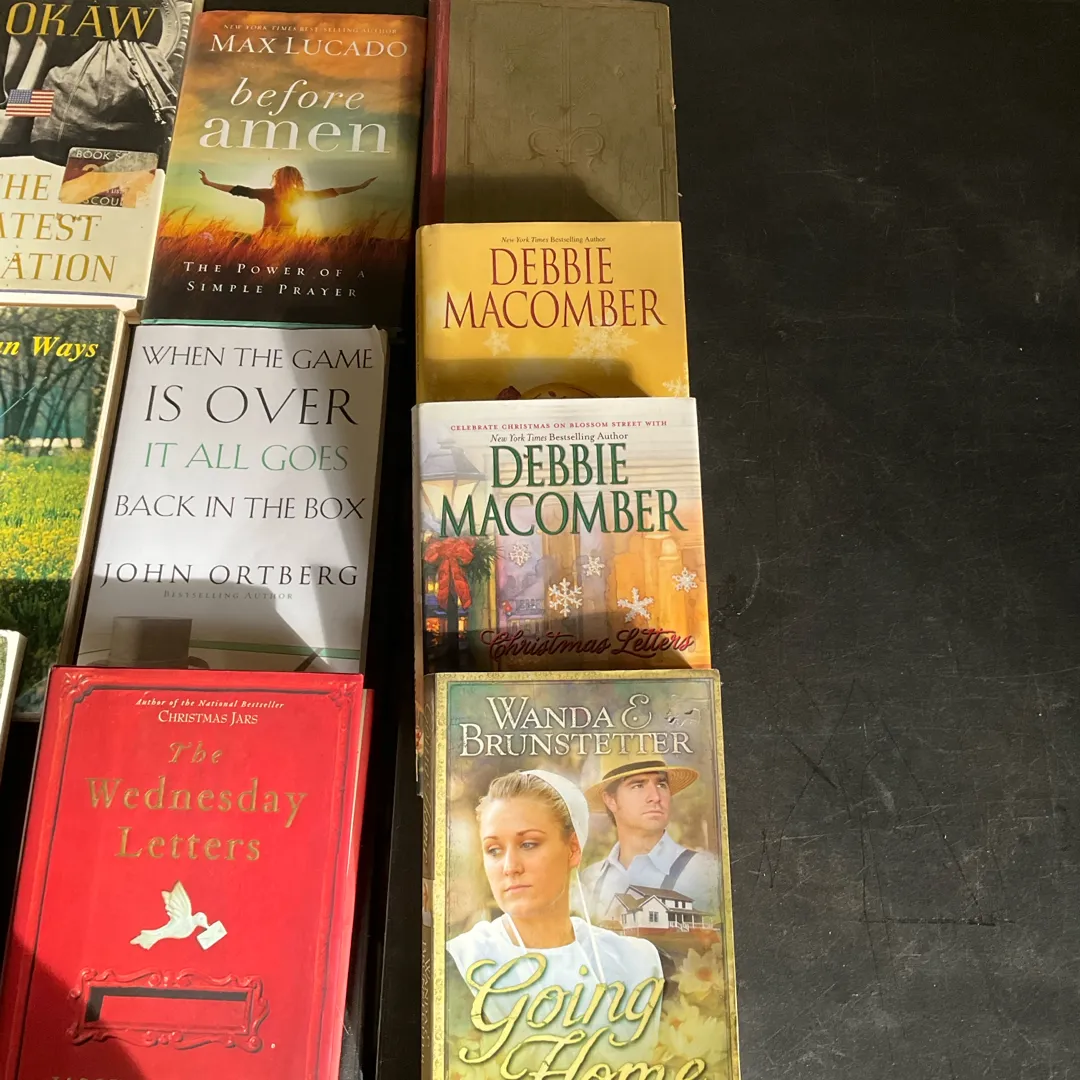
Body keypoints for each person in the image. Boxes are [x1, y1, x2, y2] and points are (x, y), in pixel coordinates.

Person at [446, 769, 664, 1060]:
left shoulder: (636, 962)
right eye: (494, 850)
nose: (510, 867)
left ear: (573, 849)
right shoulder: (460, 963)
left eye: (528, 844)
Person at [581, 754, 720, 922]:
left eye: (661, 784)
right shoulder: (590, 880)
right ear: (611, 800)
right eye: (638, 786)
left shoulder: (705, 873)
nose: (655, 796)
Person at [198, 166, 376, 234]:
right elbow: (238, 190)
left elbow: (332, 192)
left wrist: (359, 186)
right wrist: (209, 183)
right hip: (270, 239)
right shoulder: (272, 194)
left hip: (284, 240)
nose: (284, 181)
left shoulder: (297, 196)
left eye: (287, 178)